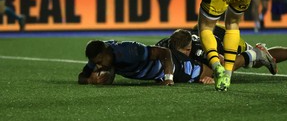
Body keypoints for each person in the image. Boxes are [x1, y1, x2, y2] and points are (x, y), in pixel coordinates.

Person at [156, 25, 287, 77]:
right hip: (208, 31)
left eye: (182, 53)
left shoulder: (199, 50)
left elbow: (223, 64)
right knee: (259, 61)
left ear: (188, 48)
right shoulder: (166, 44)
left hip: (225, 39)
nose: (178, 57)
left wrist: (205, 75)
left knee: (227, 69)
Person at [78, 39, 214, 85]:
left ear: (107, 53)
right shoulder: (97, 57)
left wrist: (168, 77)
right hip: (157, 76)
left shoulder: (130, 51)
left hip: (173, 65)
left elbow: (164, 52)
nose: (98, 66)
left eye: (100, 62)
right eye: (96, 63)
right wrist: (90, 80)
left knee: (205, 73)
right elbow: (81, 76)